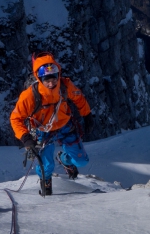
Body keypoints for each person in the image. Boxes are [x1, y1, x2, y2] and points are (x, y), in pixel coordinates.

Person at [10, 52, 94, 196]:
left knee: (81, 161)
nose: (51, 83)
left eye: (54, 78)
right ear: (39, 78)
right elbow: (15, 118)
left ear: (58, 76)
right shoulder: (30, 96)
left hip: (64, 125)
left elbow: (79, 97)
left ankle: (64, 159)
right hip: (42, 130)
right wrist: (26, 138)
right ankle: (46, 180)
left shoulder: (65, 86)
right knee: (46, 165)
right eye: (46, 80)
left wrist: (86, 114)